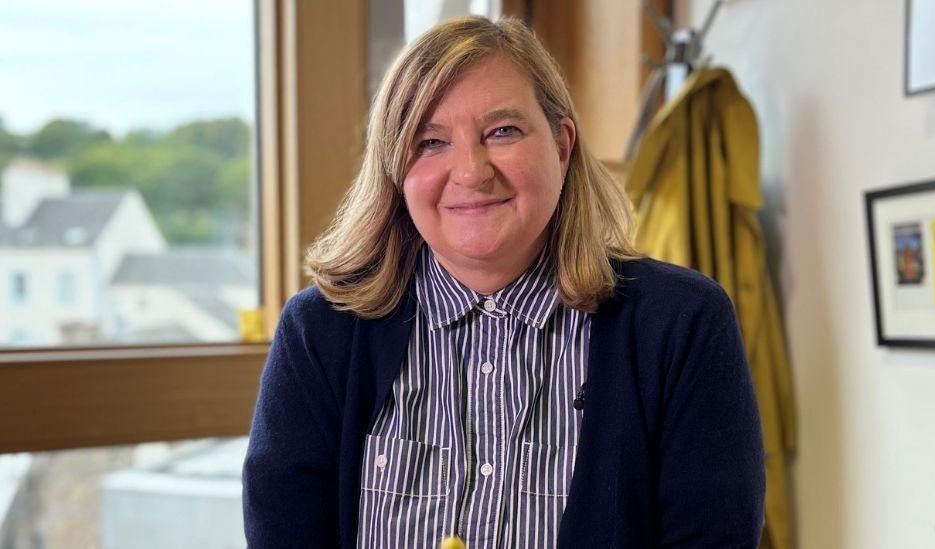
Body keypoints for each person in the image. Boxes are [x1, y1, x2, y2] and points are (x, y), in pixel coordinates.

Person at [243, 15, 764, 549]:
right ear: (396, 171)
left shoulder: (681, 324)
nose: (471, 171)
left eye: (503, 131)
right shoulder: (320, 332)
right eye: (429, 142)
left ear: (562, 147)